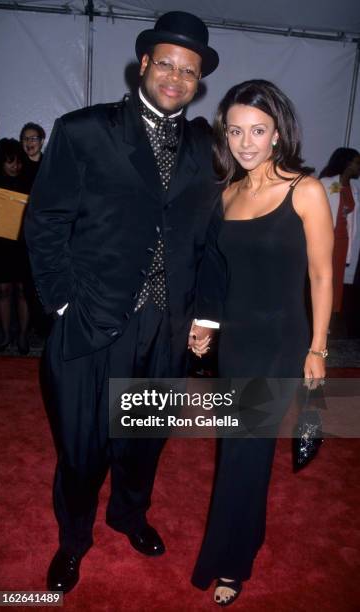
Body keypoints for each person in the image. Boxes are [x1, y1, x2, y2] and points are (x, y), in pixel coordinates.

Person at [25, 11, 220, 594]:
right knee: (82, 446)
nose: (176, 77)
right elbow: (45, 221)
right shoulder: (85, 129)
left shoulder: (208, 146)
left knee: (143, 438)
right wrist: (61, 303)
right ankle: (74, 539)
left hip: (166, 325)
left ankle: (129, 516)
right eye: (166, 63)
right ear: (144, 65)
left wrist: (203, 314)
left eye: (189, 71)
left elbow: (211, 238)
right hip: (92, 319)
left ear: (198, 81)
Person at [189, 80, 333, 606]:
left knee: (243, 455)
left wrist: (317, 348)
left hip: (280, 340)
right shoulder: (227, 193)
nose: (246, 141)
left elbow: (321, 277)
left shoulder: (306, 191)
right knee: (239, 450)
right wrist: (205, 324)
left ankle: (230, 563)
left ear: (278, 133)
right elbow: (220, 275)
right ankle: (245, 539)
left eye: (257, 130)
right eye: (235, 130)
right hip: (238, 342)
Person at [0, 138, 31, 354]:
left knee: (22, 289)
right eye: (10, 162)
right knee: (3, 289)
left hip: (23, 243)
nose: (15, 166)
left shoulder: (29, 181)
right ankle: (6, 334)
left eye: (17, 162)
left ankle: (23, 335)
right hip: (0, 244)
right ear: (1, 162)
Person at [319, 148, 360, 317]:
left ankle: (331, 315)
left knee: (336, 280)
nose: (359, 166)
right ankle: (320, 315)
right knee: (324, 280)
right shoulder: (328, 183)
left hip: (343, 241)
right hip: (326, 240)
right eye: (357, 162)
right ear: (347, 163)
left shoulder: (353, 187)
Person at [20, 122, 46, 191]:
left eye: (33, 138)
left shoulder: (48, 164)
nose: (29, 142)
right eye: (25, 138)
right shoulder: (17, 165)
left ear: (42, 141)